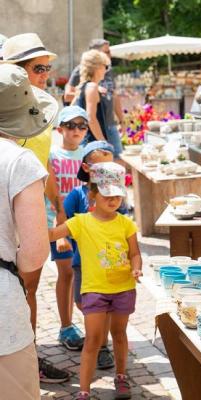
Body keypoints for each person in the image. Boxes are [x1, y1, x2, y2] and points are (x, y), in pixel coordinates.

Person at [1, 32, 70, 383]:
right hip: (6, 219)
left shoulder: (42, 110)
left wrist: (58, 207)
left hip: (32, 211)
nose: (45, 75)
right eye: (38, 67)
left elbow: (44, 167)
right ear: (14, 71)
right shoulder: (7, 109)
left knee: (31, 289)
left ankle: (30, 352)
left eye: (47, 68)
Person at [49, 162, 143, 400]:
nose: (113, 200)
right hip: (94, 290)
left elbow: (134, 253)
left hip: (124, 288)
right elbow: (52, 234)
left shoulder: (127, 223)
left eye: (118, 195)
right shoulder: (81, 222)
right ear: (92, 194)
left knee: (120, 335)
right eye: (107, 195)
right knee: (93, 339)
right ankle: (84, 390)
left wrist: (137, 269)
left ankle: (121, 378)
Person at [64, 140, 118, 369]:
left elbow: (122, 219)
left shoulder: (113, 195)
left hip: (106, 263)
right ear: (87, 168)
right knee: (81, 302)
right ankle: (96, 337)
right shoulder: (76, 195)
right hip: (82, 262)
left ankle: (101, 347)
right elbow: (67, 221)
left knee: (102, 306)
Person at [48, 106, 90, 350]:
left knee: (85, 274)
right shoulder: (52, 155)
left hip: (85, 225)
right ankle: (66, 327)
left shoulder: (87, 156)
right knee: (66, 273)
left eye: (81, 125)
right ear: (60, 129)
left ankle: (93, 326)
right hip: (61, 222)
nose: (76, 130)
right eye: (71, 125)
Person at [65, 39, 125, 161]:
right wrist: (103, 143)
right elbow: (91, 118)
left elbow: (71, 109)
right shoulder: (91, 87)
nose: (106, 69)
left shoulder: (85, 86)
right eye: (105, 66)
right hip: (93, 137)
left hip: (91, 136)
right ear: (97, 67)